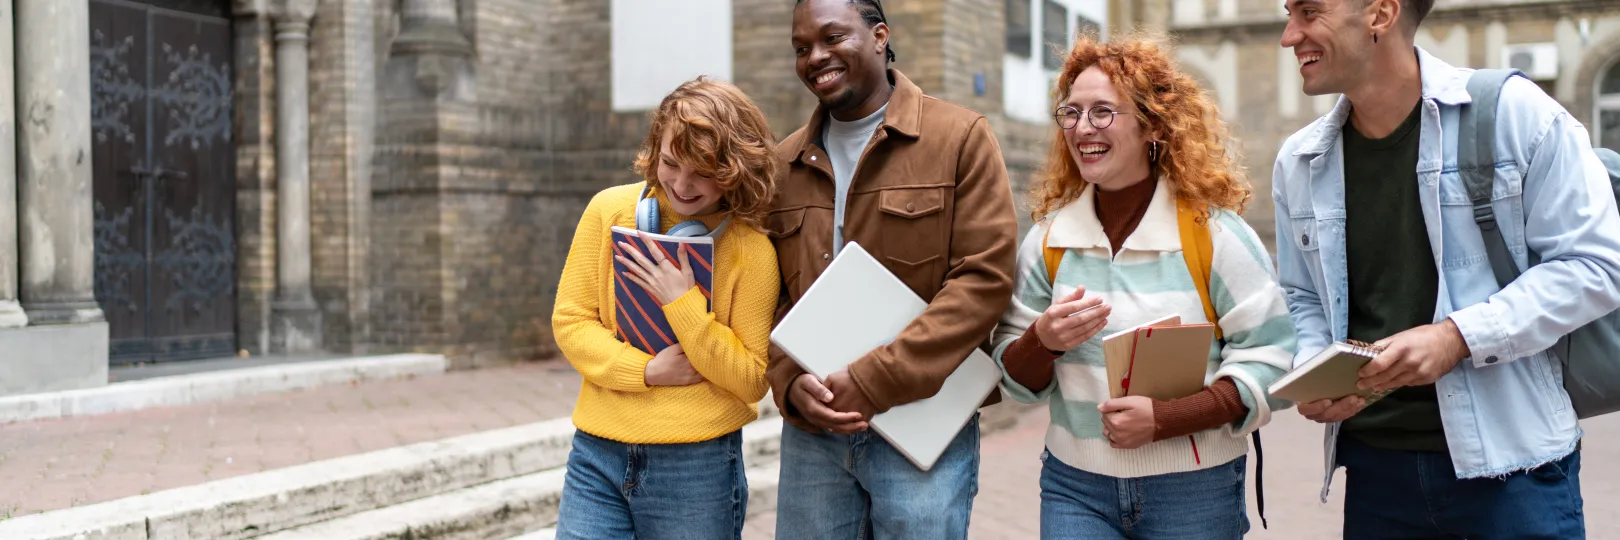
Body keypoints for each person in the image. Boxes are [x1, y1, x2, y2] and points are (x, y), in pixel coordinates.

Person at [1272, 0, 1620, 537]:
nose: (1289, 35)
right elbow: (1303, 296)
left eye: (1309, 12)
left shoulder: (1512, 111)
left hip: (1512, 473)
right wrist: (1316, 367)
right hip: (1375, 475)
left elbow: (1596, 264)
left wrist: (1455, 337)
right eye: (1289, 12)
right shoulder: (1299, 160)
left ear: (1381, 14)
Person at [989, 33, 1296, 540]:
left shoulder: (1215, 235)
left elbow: (1274, 362)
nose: (1082, 127)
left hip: (1194, 490)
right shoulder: (1048, 241)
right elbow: (1014, 379)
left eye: (1103, 112)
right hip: (1075, 485)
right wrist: (1041, 342)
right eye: (1071, 112)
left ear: (1153, 125)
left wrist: (1168, 418)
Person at [763, 0, 1019, 537]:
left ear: (879, 35)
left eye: (833, 38)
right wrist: (788, 383)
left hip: (922, 418)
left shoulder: (959, 138)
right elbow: (771, 297)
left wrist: (875, 379)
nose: (815, 57)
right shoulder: (782, 166)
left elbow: (983, 279)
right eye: (801, 47)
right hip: (817, 432)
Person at [550, 77, 781, 540]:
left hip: (698, 465)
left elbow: (754, 378)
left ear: (735, 168)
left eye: (703, 171)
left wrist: (683, 304)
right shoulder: (608, 211)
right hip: (597, 453)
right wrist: (647, 371)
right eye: (671, 162)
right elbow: (571, 322)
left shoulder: (751, 251)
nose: (681, 183)